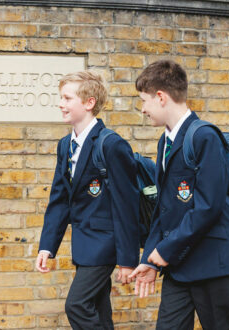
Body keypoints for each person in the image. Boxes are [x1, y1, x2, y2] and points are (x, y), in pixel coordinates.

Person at [129, 59, 229, 329]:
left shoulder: (204, 136)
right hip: (178, 264)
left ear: (160, 97)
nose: (143, 109)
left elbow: (209, 205)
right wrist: (150, 258)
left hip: (214, 263)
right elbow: (164, 208)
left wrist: (167, 249)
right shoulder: (165, 142)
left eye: (144, 101)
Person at [36, 70, 140, 329]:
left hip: (105, 244)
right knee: (98, 311)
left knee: (77, 305)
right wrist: (47, 247)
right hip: (83, 245)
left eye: (67, 98)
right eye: (61, 97)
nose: (61, 104)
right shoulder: (65, 145)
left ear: (89, 102)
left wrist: (128, 260)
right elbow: (60, 199)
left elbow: (127, 204)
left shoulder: (111, 145)